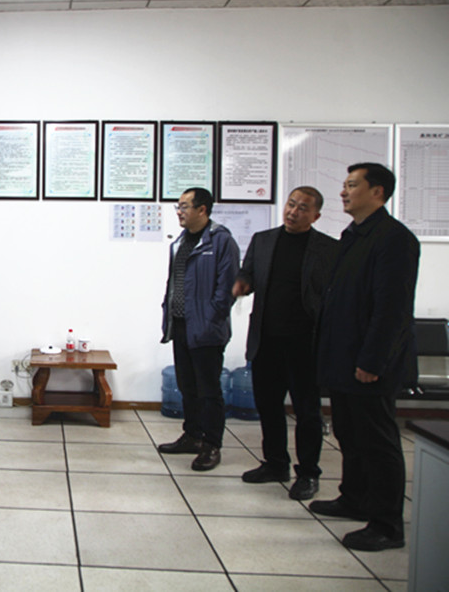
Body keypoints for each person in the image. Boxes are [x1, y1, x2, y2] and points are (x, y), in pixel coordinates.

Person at [310, 163, 420, 552]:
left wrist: (373, 361)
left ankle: (387, 525)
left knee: (378, 442)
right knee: (349, 433)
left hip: (370, 363)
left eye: (352, 185)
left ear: (378, 192)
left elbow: (392, 309)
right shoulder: (353, 235)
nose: (343, 192)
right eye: (344, 185)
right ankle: (354, 499)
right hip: (343, 357)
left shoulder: (394, 239)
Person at [232, 187, 338, 500]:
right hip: (267, 340)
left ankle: (308, 473)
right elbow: (248, 272)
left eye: (303, 208)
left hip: (305, 344)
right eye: (291, 204)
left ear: (316, 216)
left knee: (307, 412)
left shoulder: (328, 249)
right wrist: (243, 283)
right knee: (268, 406)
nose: (293, 211)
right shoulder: (263, 240)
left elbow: (332, 295)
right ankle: (276, 464)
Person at [159, 187, 239, 471]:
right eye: (178, 207)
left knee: (208, 390)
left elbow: (227, 289)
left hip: (206, 329)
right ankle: (192, 435)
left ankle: (211, 445)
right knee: (187, 386)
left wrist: (210, 319)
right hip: (180, 325)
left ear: (202, 209)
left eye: (184, 206)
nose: (179, 212)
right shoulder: (181, 241)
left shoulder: (221, 241)